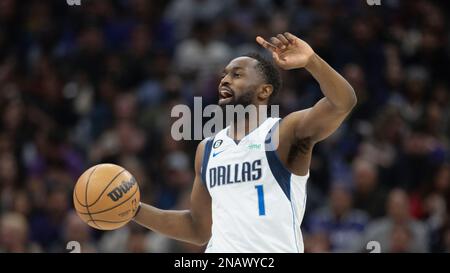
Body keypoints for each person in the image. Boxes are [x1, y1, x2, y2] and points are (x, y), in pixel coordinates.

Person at [133, 32, 357, 252]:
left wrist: (312, 61)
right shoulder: (207, 149)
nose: (225, 79)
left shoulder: (283, 133)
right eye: (224, 74)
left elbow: (343, 102)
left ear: (264, 91)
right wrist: (133, 210)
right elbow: (197, 229)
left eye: (237, 74)